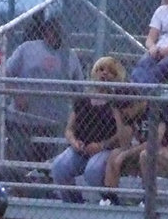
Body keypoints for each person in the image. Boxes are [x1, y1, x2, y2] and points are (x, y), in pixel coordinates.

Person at [2, 14, 85, 165]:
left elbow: (79, 89)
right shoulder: (27, 48)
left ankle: (47, 186)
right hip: (23, 119)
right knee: (19, 162)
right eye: (51, 31)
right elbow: (6, 73)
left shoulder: (69, 56)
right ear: (45, 32)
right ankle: (18, 187)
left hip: (54, 122)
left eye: (58, 32)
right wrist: (17, 95)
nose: (54, 36)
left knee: (49, 164)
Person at [49, 56, 133, 204]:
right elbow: (69, 129)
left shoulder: (118, 102)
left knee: (92, 171)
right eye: (101, 69)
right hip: (81, 148)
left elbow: (122, 135)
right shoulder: (83, 99)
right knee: (59, 167)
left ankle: (110, 201)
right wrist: (74, 142)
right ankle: (73, 205)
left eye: (110, 72)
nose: (104, 74)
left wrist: (102, 145)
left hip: (106, 149)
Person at [101, 102, 168, 206]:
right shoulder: (133, 115)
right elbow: (124, 144)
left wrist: (125, 154)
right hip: (144, 154)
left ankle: (149, 199)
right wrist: (118, 118)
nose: (124, 113)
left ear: (134, 104)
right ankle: (110, 198)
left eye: (124, 109)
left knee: (145, 155)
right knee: (115, 154)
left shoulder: (157, 109)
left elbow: (154, 142)